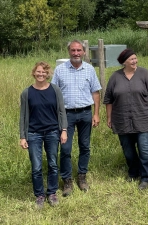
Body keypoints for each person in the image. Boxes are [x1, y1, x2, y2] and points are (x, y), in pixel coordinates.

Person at [51, 40, 102, 197]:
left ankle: (82, 177)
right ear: (69, 52)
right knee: (65, 149)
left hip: (86, 113)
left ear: (84, 52)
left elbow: (95, 93)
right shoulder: (60, 70)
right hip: (66, 115)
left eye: (79, 50)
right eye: (73, 50)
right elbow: (53, 93)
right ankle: (67, 180)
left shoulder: (89, 70)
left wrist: (96, 113)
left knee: (85, 146)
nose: (76, 53)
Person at [103, 49, 148, 190]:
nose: (135, 61)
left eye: (135, 58)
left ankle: (146, 178)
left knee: (145, 149)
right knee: (128, 150)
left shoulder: (144, 74)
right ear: (124, 62)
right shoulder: (115, 77)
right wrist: (109, 117)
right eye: (131, 59)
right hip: (121, 119)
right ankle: (133, 172)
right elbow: (108, 99)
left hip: (144, 118)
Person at [19, 62, 68, 209]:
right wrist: (23, 136)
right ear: (34, 73)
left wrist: (63, 130)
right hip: (33, 133)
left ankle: (52, 193)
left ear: (48, 74)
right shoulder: (26, 93)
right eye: (38, 72)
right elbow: (22, 116)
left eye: (44, 72)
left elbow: (61, 111)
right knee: (36, 166)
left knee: (53, 164)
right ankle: (39, 195)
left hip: (53, 132)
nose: (41, 74)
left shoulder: (55, 90)